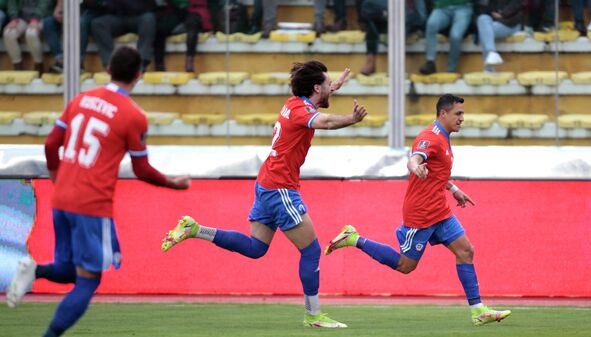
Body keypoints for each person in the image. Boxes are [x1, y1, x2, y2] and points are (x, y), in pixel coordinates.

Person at [161, 60, 367, 328]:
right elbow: (324, 122)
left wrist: (331, 88)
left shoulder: (294, 103)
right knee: (312, 250)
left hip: (266, 183)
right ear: (316, 88)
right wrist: (352, 119)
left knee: (256, 248)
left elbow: (313, 106)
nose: (332, 86)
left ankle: (194, 229)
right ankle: (313, 315)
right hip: (280, 187)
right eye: (327, 84)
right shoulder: (304, 111)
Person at [5, 46, 190, 337]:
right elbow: (142, 170)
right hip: (91, 205)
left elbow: (51, 144)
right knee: (89, 281)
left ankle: (35, 271)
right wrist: (172, 183)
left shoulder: (81, 99)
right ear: (139, 75)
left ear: (108, 70)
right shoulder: (133, 116)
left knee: (68, 270)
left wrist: (56, 176)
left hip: (61, 198)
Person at [324, 94, 512, 327]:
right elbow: (414, 159)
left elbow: (435, 170)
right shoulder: (429, 138)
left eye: (462, 113)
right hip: (421, 213)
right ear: (443, 114)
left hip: (440, 210)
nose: (462, 118)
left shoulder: (444, 137)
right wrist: (415, 167)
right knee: (405, 266)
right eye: (458, 114)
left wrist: (453, 188)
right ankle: (353, 238)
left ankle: (478, 310)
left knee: (466, 251)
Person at [360, 0, 426, 75]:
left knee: (398, 24)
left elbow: (421, 17)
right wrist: (387, 13)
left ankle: (395, 67)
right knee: (367, 6)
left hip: (407, 22)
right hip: (389, 16)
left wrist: (399, 15)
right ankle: (370, 60)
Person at [90, 0, 156, 71]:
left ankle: (142, 63)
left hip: (139, 17)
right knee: (98, 23)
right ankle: (110, 64)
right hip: (117, 17)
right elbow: (106, 7)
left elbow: (147, 6)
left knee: (149, 19)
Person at [419, 0, 473, 75]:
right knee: (431, 24)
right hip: (442, 7)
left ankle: (451, 69)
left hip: (463, 7)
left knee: (455, 35)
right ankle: (430, 62)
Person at [3, 0, 52, 72]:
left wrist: (36, 19)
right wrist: (13, 19)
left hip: (42, 17)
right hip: (22, 18)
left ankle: (39, 67)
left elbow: (45, 4)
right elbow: (12, 3)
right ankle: (18, 67)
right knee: (8, 33)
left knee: (31, 33)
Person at [476, 0, 523, 71]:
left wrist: (502, 14)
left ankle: (488, 68)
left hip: (511, 23)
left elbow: (516, 5)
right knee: (482, 19)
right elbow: (488, 10)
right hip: (494, 21)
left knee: (485, 31)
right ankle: (492, 52)